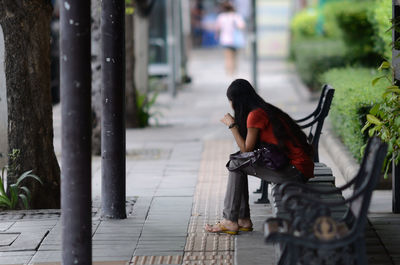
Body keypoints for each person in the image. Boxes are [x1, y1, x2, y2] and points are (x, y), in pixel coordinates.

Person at [205, 79, 314, 234]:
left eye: (230, 101)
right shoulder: (264, 109)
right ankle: (242, 219)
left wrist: (232, 125)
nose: (230, 105)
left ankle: (231, 219)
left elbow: (246, 150)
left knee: (236, 164)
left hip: (295, 171)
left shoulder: (255, 115)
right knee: (238, 164)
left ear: (237, 101)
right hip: (297, 167)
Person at [215, 1, 246, 76]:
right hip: (235, 40)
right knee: (235, 57)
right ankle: (234, 71)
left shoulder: (221, 17)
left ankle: (229, 72)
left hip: (225, 40)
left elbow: (217, 28)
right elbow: (242, 26)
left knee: (228, 57)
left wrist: (217, 35)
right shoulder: (236, 16)